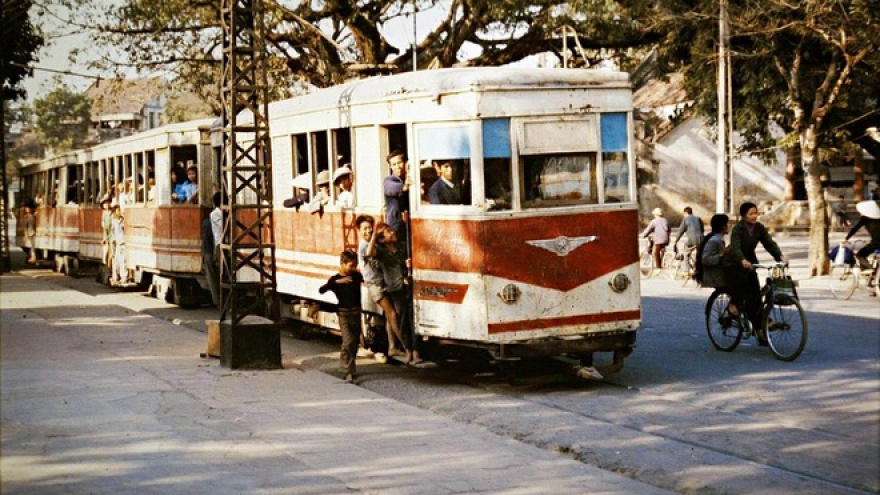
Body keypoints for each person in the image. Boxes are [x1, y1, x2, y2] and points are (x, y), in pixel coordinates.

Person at [727, 202, 785, 343]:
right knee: (748, 295)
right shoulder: (738, 229)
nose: (754, 216)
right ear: (743, 215)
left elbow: (768, 242)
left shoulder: (759, 228)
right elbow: (735, 247)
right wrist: (742, 259)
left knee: (756, 294)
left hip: (751, 263)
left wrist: (779, 256)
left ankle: (759, 329)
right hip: (736, 262)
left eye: (756, 213)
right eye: (751, 213)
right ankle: (734, 307)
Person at [356, 215, 406, 359]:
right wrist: (374, 236)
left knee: (388, 317)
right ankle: (405, 345)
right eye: (364, 229)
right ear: (359, 230)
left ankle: (392, 347)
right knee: (392, 314)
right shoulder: (364, 246)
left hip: (382, 284)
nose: (368, 231)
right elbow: (369, 252)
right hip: (375, 286)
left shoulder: (372, 243)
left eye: (370, 228)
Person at [375, 221, 421, 364]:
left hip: (407, 288)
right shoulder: (382, 253)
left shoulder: (402, 248)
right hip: (395, 290)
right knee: (402, 321)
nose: (393, 233)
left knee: (412, 320)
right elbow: (369, 251)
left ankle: (415, 351)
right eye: (388, 232)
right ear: (382, 239)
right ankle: (408, 349)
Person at [319, 250, 365, 383]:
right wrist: (338, 282)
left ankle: (352, 367)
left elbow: (365, 279)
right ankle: (346, 371)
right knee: (348, 341)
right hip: (343, 313)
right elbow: (322, 290)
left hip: (356, 312)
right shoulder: (335, 279)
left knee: (355, 342)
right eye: (351, 265)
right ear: (342, 264)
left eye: (355, 265)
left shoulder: (356, 276)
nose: (353, 268)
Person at [699, 214, 742, 313]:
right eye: (728, 224)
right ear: (723, 227)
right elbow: (705, 259)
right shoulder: (713, 241)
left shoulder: (718, 239)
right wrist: (722, 254)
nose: (730, 227)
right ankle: (733, 308)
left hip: (721, 273)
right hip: (716, 276)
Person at [844, 200, 880, 271]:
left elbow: (855, 229)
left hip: (875, 244)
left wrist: (846, 238)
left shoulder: (865, 219)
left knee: (860, 255)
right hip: (875, 242)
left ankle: (870, 270)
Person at [202, 192, 223, 308]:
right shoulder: (216, 215)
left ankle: (218, 301)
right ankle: (218, 301)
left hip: (210, 248)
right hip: (213, 248)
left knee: (213, 276)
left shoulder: (210, 218)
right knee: (214, 276)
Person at [384, 150, 411, 237]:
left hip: (410, 222)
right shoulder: (388, 180)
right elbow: (400, 188)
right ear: (390, 167)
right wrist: (406, 184)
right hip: (395, 228)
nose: (397, 167)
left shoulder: (406, 178)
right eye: (394, 164)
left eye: (399, 163)